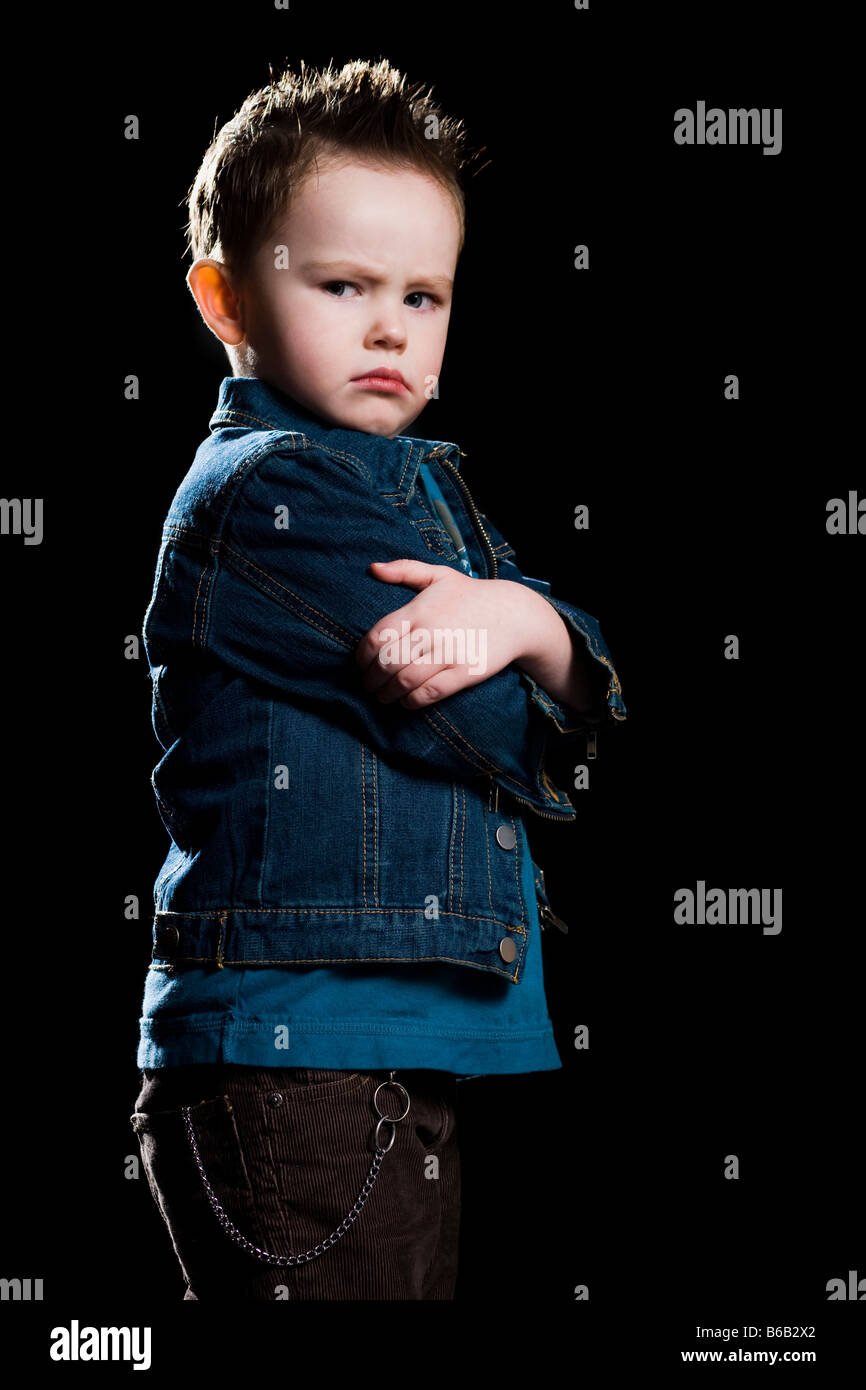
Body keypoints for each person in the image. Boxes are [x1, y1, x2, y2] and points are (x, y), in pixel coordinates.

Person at [129, 56, 627, 1302]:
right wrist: (537, 650)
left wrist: (523, 614)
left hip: (373, 1060)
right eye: (342, 285)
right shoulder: (273, 498)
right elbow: (489, 722)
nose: (391, 327)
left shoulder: (418, 495)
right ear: (226, 296)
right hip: (295, 1062)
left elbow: (566, 685)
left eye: (424, 293)